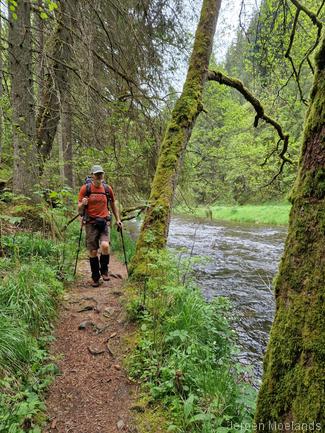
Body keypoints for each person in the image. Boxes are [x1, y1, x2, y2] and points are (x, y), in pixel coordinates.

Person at [78, 165, 122, 287]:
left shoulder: (107, 189)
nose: (99, 176)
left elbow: (113, 204)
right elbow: (79, 209)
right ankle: (95, 277)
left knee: (105, 246)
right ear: (92, 175)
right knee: (92, 251)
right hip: (90, 223)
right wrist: (83, 204)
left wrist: (118, 219)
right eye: (97, 174)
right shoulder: (85, 189)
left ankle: (104, 270)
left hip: (104, 222)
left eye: (101, 174)